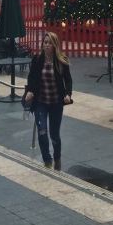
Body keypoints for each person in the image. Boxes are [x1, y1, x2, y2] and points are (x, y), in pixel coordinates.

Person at [24, 32, 73, 171]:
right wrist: (30, 91)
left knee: (54, 135)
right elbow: (32, 77)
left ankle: (57, 158)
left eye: (49, 43)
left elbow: (68, 80)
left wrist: (68, 94)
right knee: (42, 131)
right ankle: (47, 160)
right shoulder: (37, 59)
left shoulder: (61, 61)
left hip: (56, 103)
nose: (46, 45)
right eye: (44, 42)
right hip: (41, 102)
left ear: (54, 45)